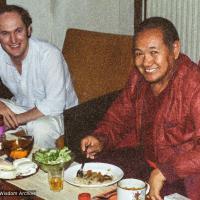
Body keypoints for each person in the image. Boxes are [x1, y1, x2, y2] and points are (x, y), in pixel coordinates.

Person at [81, 17, 200, 200]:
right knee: (91, 184)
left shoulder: (193, 84)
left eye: (154, 52)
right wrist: (100, 138)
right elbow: (117, 118)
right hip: (147, 162)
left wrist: (167, 171)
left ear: (174, 49)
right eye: (139, 54)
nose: (146, 62)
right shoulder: (138, 78)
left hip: (185, 175)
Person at [0, 5, 78, 148]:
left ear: (29, 30)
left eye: (18, 31)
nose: (13, 40)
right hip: (22, 106)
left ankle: (43, 168)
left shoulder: (49, 55)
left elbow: (55, 104)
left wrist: (17, 120)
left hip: (58, 114)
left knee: (40, 129)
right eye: (5, 33)